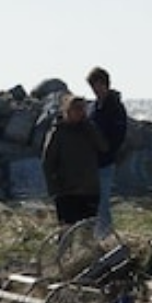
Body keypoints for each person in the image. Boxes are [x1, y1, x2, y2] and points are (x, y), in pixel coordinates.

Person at [42, 92, 105, 225]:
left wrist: (90, 128)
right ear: (67, 110)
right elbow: (48, 162)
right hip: (66, 191)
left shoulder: (89, 129)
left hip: (89, 189)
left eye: (82, 109)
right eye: (76, 109)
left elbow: (103, 147)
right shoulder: (58, 132)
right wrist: (53, 187)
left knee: (87, 230)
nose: (79, 113)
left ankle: (88, 247)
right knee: (66, 230)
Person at [86, 66, 129, 238]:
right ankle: (96, 238)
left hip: (106, 161)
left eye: (97, 85)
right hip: (91, 162)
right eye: (92, 87)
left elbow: (118, 136)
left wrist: (106, 149)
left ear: (105, 84)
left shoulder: (115, 107)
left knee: (103, 203)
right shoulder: (94, 107)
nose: (95, 90)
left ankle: (107, 238)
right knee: (92, 203)